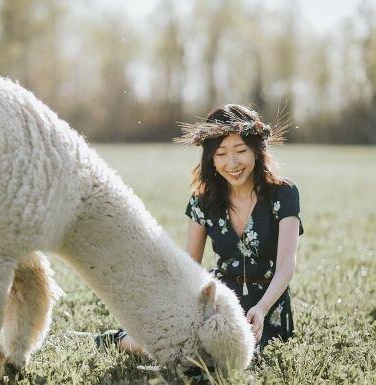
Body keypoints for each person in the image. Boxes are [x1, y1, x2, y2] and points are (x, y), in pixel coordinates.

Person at [95, 104, 303, 355]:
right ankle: (119, 340)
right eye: (221, 154)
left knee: (244, 354)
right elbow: (189, 268)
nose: (232, 163)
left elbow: (286, 266)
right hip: (221, 300)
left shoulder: (284, 194)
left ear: (256, 152)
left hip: (268, 305)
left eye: (241, 151)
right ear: (211, 158)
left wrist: (261, 307)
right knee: (183, 345)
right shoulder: (203, 201)